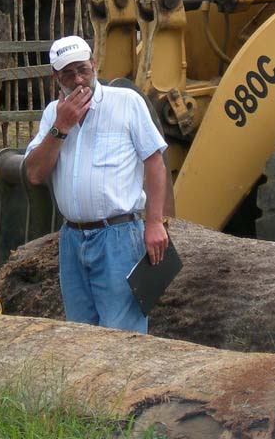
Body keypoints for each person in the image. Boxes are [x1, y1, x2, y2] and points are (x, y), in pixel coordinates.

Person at [24, 35, 169, 333]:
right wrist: (60, 127)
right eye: (68, 74)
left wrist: (155, 223)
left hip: (119, 234)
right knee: (80, 334)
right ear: (55, 77)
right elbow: (34, 174)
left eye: (83, 70)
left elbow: (155, 163)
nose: (78, 80)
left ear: (94, 64)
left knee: (121, 334)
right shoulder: (53, 114)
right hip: (72, 238)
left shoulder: (126, 102)